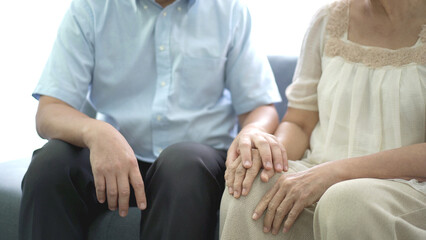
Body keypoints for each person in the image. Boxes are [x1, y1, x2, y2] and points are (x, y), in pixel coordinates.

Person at [18, 0, 287, 239]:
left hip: (196, 164)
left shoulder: (229, 9)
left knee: (183, 163)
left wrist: (251, 131)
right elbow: (50, 110)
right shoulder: (90, 7)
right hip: (114, 158)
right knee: (50, 164)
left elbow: (261, 107)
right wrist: (97, 132)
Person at [221, 0, 426, 239]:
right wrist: (267, 159)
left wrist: (335, 173)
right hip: (318, 171)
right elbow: (300, 122)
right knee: (250, 186)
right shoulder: (328, 19)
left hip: (407, 186)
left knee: (346, 202)